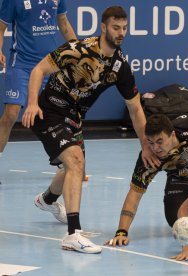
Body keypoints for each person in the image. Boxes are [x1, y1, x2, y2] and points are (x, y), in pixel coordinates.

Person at [22, 6, 159, 254]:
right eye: (116, 28)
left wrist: (145, 145)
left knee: (74, 167)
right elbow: (38, 70)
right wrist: (32, 103)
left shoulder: (120, 66)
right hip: (48, 111)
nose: (121, 33)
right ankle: (73, 234)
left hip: (73, 117)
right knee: (75, 161)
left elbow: (136, 109)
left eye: (125, 28)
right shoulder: (78, 49)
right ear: (104, 28)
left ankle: (47, 200)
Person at [104, 113, 188, 247]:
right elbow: (135, 194)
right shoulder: (149, 158)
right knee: (176, 220)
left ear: (172, 135)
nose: (155, 148)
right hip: (183, 177)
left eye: (160, 141)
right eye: (150, 142)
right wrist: (122, 232)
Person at [0, 0, 76, 181]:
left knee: (56, 112)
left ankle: (66, 162)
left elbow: (63, 22)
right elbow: (1, 27)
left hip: (49, 64)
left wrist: (79, 50)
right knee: (11, 113)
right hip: (22, 64)